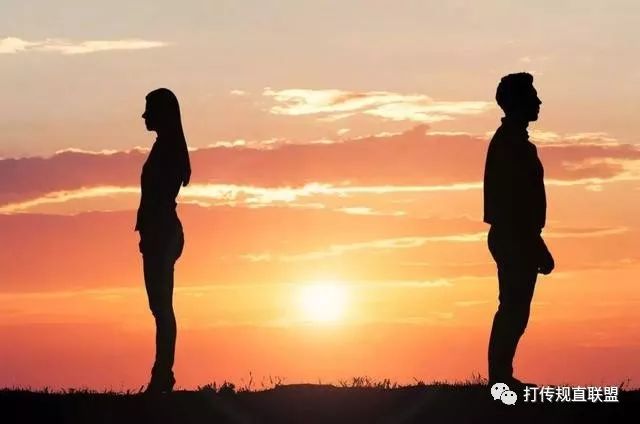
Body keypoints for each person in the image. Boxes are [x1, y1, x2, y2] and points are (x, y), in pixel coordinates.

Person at [483, 73, 554, 388]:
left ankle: (501, 376)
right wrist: (535, 244)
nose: (538, 101)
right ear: (517, 102)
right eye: (532, 96)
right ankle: (499, 378)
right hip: (514, 236)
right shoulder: (510, 144)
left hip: (517, 236)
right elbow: (513, 204)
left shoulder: (514, 142)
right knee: (513, 308)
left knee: (515, 309)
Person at [135, 88, 191, 394]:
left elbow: (158, 198)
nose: (144, 115)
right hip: (160, 233)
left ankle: (163, 375)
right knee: (159, 307)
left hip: (163, 234)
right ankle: (162, 374)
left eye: (149, 109)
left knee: (162, 308)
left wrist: (151, 234)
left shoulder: (167, 150)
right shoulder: (165, 147)